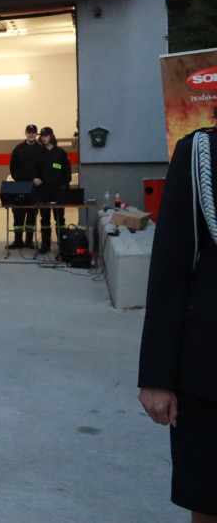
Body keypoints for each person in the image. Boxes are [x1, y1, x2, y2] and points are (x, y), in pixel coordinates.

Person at [138, 124, 217, 522]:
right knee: (209, 496)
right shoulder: (202, 151)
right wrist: (157, 375)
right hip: (209, 367)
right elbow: (171, 271)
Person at [33, 126, 71, 254]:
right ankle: (45, 244)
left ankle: (63, 243)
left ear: (51, 136)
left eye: (46, 136)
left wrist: (66, 185)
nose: (44, 138)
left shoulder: (60, 153)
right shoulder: (39, 153)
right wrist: (35, 179)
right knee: (44, 219)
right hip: (43, 191)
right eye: (42, 136)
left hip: (58, 191)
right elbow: (35, 170)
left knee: (60, 218)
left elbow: (67, 171)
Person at [7, 124, 43, 249]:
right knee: (18, 214)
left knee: (32, 215)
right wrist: (21, 179)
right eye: (29, 132)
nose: (31, 134)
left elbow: (44, 168)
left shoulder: (40, 149)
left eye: (34, 132)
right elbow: (13, 168)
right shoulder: (18, 149)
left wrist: (39, 179)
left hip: (35, 188)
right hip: (20, 187)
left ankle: (29, 241)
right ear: (25, 133)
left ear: (36, 134)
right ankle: (18, 241)